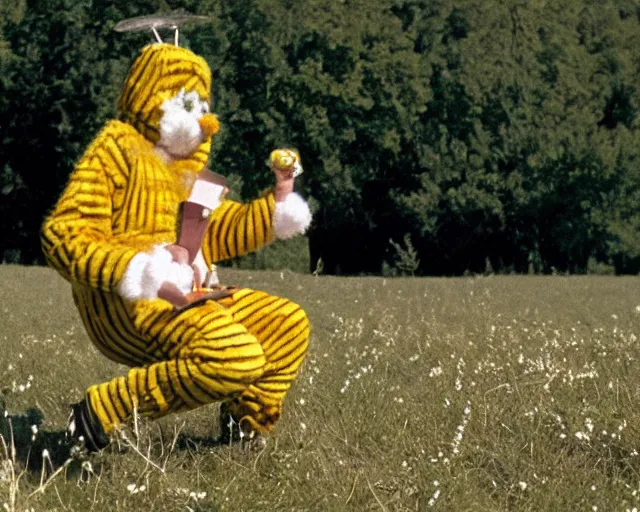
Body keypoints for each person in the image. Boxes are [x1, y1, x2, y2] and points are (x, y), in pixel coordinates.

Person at [41, 41, 312, 452]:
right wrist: (135, 267)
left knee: (289, 323)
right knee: (236, 357)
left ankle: (243, 429)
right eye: (189, 102)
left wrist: (275, 209)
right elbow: (63, 234)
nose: (206, 121)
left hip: (189, 295)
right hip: (130, 302)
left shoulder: (189, 172)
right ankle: (101, 410)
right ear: (152, 95)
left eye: (204, 105)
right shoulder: (118, 148)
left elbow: (217, 231)